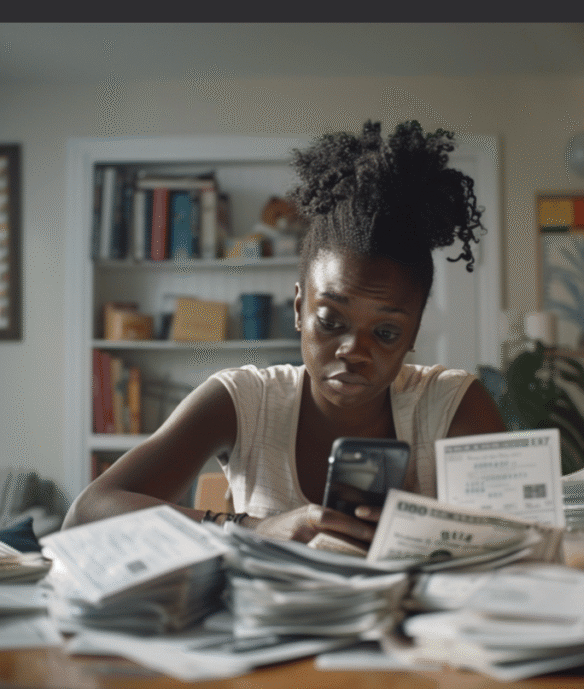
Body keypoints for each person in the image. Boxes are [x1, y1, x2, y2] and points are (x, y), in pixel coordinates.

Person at [63, 120, 505, 549]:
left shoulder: (453, 406)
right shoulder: (244, 401)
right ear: (299, 309)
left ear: (414, 333)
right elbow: (87, 514)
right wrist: (251, 527)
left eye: (387, 331)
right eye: (331, 322)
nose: (354, 351)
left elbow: (518, 547)